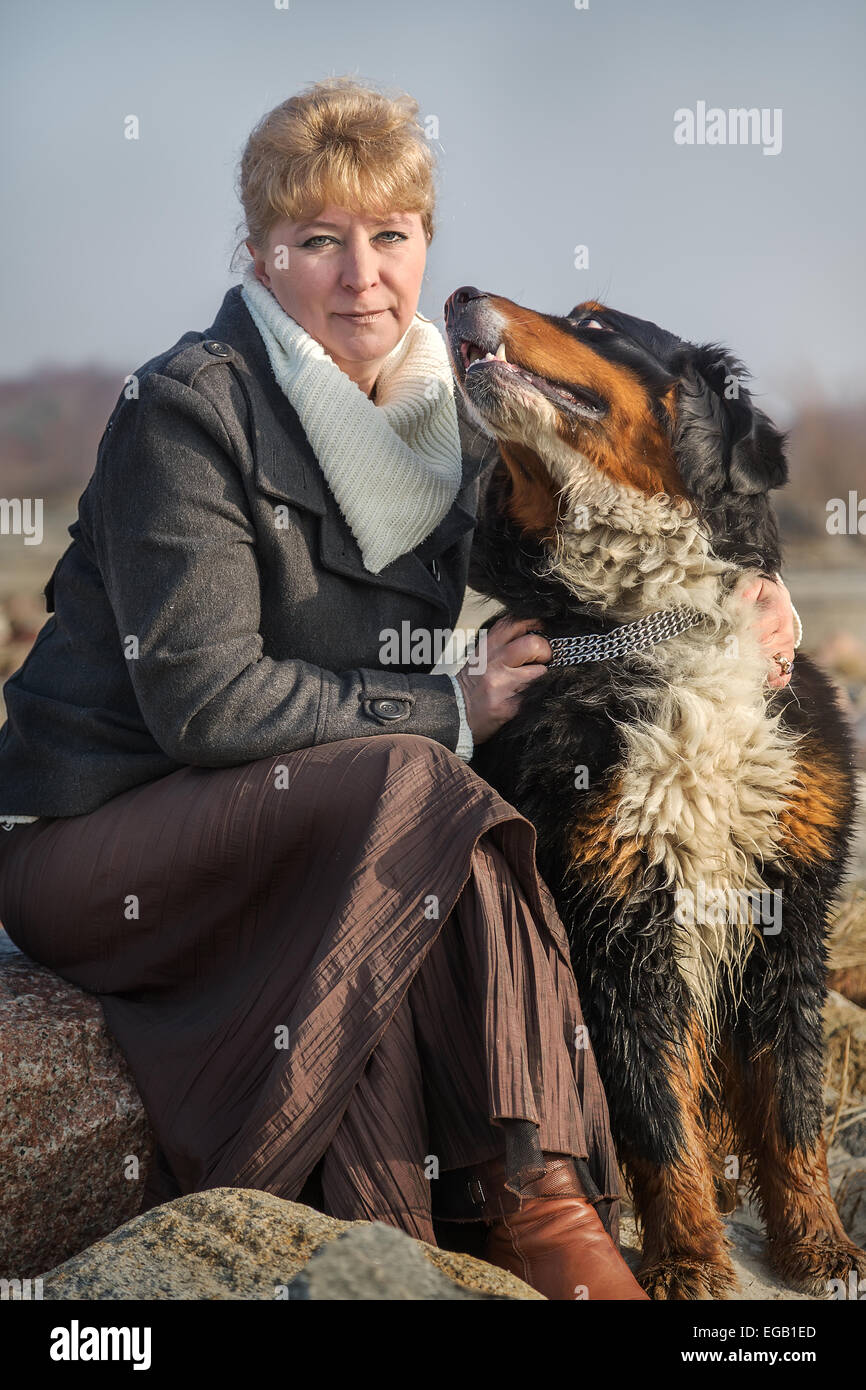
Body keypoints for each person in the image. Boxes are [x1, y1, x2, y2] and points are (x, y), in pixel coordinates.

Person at [0, 76, 798, 1301]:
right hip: (106, 839)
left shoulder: (449, 422)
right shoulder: (187, 413)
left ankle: (451, 1238)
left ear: (424, 244)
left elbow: (637, 492)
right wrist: (443, 707)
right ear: (261, 256)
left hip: (338, 826)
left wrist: (751, 585)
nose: (359, 275)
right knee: (426, 783)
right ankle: (549, 1217)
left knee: (423, 846)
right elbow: (207, 705)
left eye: (388, 237)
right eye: (317, 241)